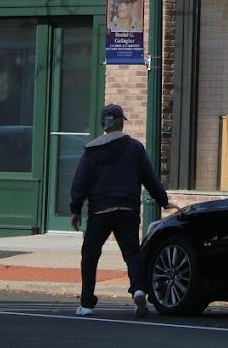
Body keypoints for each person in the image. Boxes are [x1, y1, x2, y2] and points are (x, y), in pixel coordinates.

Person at [69, 104, 172, 318]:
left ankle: (87, 303)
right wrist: (163, 201)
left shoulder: (91, 150)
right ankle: (138, 290)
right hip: (127, 209)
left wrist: (76, 209)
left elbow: (80, 182)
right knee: (132, 253)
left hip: (99, 211)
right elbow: (149, 177)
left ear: (103, 124)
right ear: (121, 122)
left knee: (90, 255)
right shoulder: (134, 147)